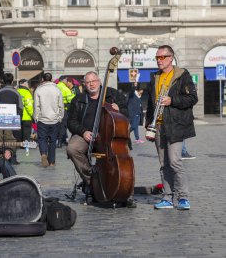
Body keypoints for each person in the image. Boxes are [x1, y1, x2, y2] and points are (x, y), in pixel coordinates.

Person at [66, 71, 133, 206]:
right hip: (87, 135)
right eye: (88, 82)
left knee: (121, 160)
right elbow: (71, 121)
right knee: (72, 148)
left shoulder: (113, 95)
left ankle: (124, 188)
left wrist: (119, 110)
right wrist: (83, 132)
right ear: (84, 85)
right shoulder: (78, 99)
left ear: (100, 81)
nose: (91, 84)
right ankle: (92, 180)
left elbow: (127, 114)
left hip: (110, 136)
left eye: (94, 81)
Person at [145, 45, 198, 210]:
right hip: (158, 125)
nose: (159, 61)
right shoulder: (154, 77)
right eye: (157, 58)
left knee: (175, 162)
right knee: (164, 163)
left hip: (175, 125)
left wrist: (172, 100)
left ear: (170, 58)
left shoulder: (182, 75)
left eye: (162, 57)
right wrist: (148, 124)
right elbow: (150, 102)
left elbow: (192, 98)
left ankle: (183, 197)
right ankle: (167, 198)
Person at [33, 72, 64, 167]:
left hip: (42, 119)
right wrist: (60, 117)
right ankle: (52, 162)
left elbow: (36, 106)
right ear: (51, 79)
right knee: (53, 141)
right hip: (54, 120)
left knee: (42, 139)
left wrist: (36, 117)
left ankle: (43, 154)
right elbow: (61, 106)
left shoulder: (38, 90)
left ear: (42, 79)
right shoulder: (57, 90)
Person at [0, 73, 23, 165]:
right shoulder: (16, 93)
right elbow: (20, 107)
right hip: (13, 119)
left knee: (2, 138)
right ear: (12, 81)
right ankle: (13, 158)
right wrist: (19, 119)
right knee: (13, 139)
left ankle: (2, 156)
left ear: (3, 81)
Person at [56, 77, 75, 148]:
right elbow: (71, 101)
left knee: (55, 125)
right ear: (63, 80)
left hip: (54, 109)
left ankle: (54, 140)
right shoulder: (66, 89)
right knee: (63, 125)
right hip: (63, 109)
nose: (67, 81)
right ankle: (60, 142)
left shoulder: (55, 87)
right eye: (66, 80)